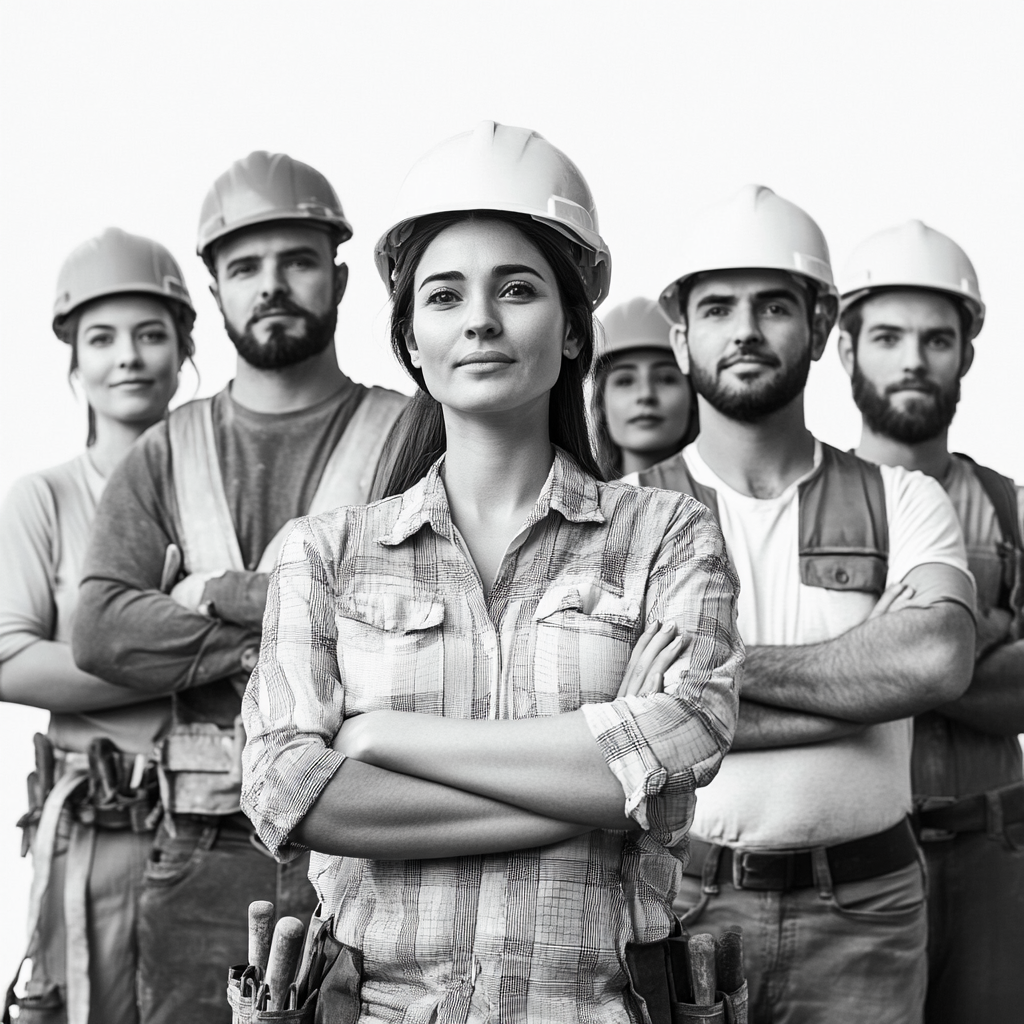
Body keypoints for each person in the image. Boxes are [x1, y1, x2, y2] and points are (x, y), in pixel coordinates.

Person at [241, 121, 743, 1024]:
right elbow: (288, 791)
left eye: (516, 289)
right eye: (444, 295)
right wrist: (599, 781)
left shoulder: (667, 534)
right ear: (412, 343)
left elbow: (684, 745)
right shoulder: (323, 555)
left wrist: (382, 735)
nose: (480, 318)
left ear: (574, 331)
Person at [72, 152, 409, 1024]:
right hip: (202, 851)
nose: (272, 286)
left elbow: (431, 611)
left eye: (296, 261)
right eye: (245, 268)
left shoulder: (411, 431)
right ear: (215, 292)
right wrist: (304, 623)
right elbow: (102, 629)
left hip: (372, 844)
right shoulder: (166, 449)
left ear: (337, 279)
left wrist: (210, 592)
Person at [635, 185, 977, 1024]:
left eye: (774, 306)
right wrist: (862, 688)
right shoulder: (625, 512)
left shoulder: (904, 498)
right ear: (682, 335)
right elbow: (614, 716)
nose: (746, 330)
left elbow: (936, 660)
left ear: (821, 330)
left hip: (868, 909)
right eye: (718, 308)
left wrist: (710, 680)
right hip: (679, 903)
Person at [0, 228, 194, 1023]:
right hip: (100, 833)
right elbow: (7, 659)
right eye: (102, 338)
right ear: (72, 360)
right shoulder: (41, 499)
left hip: (220, 827)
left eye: (151, 335)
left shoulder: (220, 494)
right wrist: (190, 652)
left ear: (184, 351)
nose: (128, 357)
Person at [837, 220, 1024, 1023]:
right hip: (855, 868)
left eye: (936, 339)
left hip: (997, 858)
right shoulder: (797, 508)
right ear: (844, 349)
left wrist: (873, 656)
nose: (913, 359)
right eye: (887, 337)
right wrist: (968, 648)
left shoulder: (1011, 508)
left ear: (967, 355)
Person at [591, 296, 697, 478]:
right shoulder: (573, 503)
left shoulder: (731, 503)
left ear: (694, 397)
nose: (646, 395)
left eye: (666, 379)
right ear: (601, 401)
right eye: (625, 381)